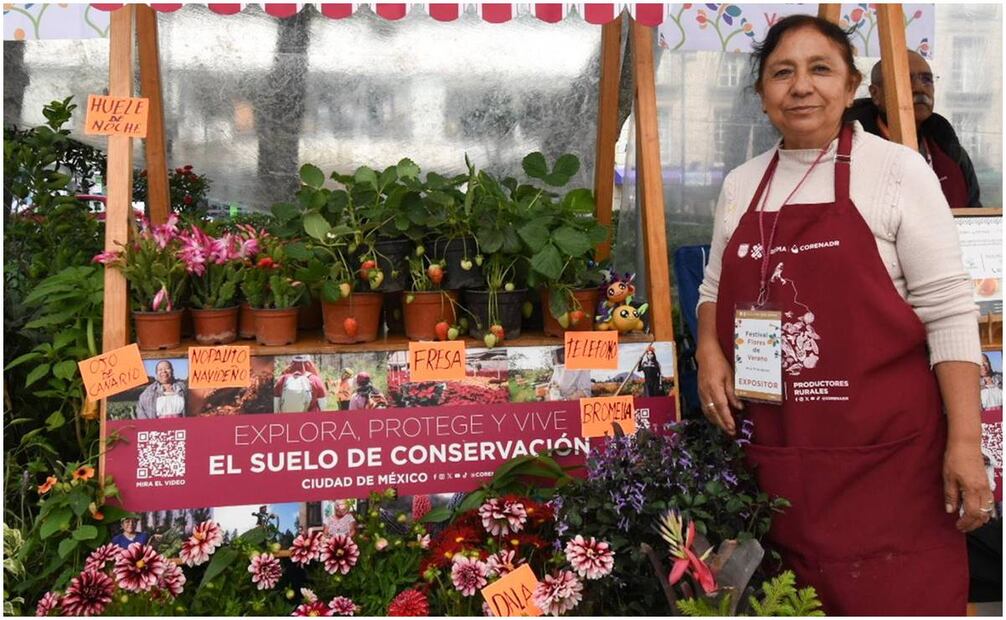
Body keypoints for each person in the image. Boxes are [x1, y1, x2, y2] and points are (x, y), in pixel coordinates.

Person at [695, 15, 991, 615]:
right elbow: (714, 285)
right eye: (783, 72)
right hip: (777, 457)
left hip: (889, 461)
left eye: (820, 69)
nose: (801, 86)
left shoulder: (899, 172)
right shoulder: (741, 185)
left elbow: (950, 311)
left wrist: (965, 441)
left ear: (852, 85)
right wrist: (708, 349)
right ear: (762, 94)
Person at [846, 50, 982, 207]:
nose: (920, 88)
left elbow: (975, 216)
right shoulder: (849, 150)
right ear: (875, 94)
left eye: (927, 80)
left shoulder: (951, 152)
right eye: (905, 79)